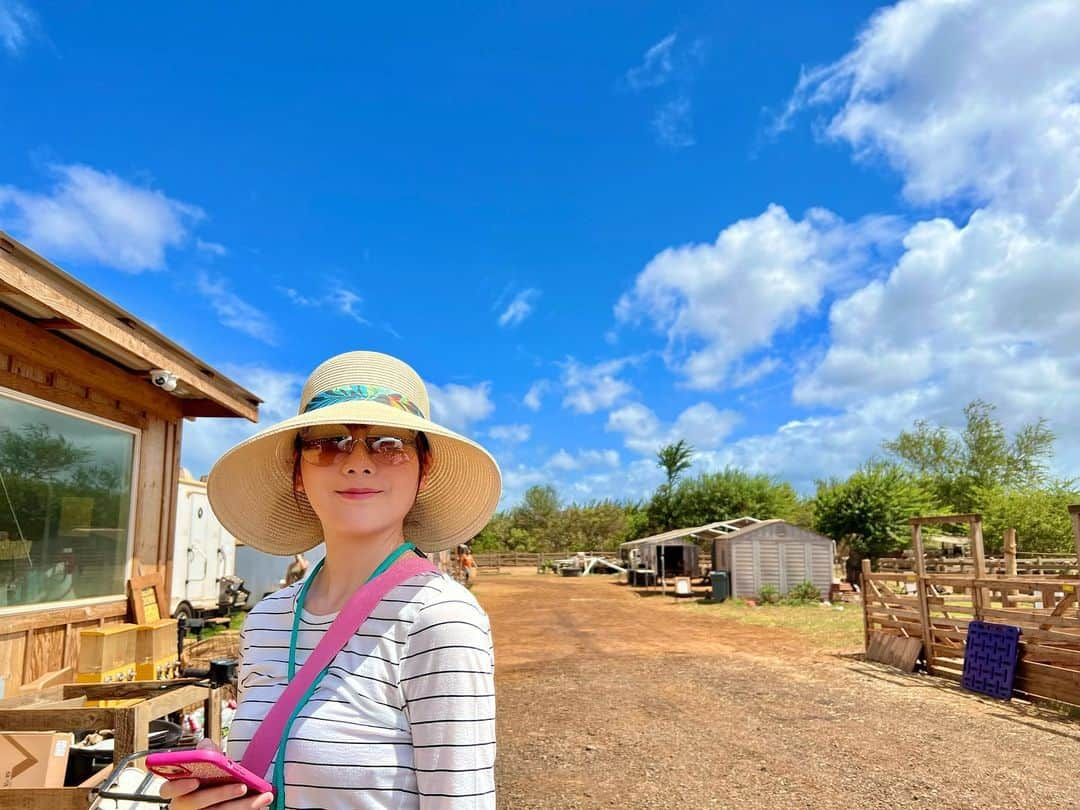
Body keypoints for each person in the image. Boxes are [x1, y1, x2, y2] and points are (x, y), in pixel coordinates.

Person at [160, 351, 501, 809]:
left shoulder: (437, 619)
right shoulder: (266, 619)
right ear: (298, 472)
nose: (358, 463)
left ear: (424, 468)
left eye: (389, 443)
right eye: (329, 443)